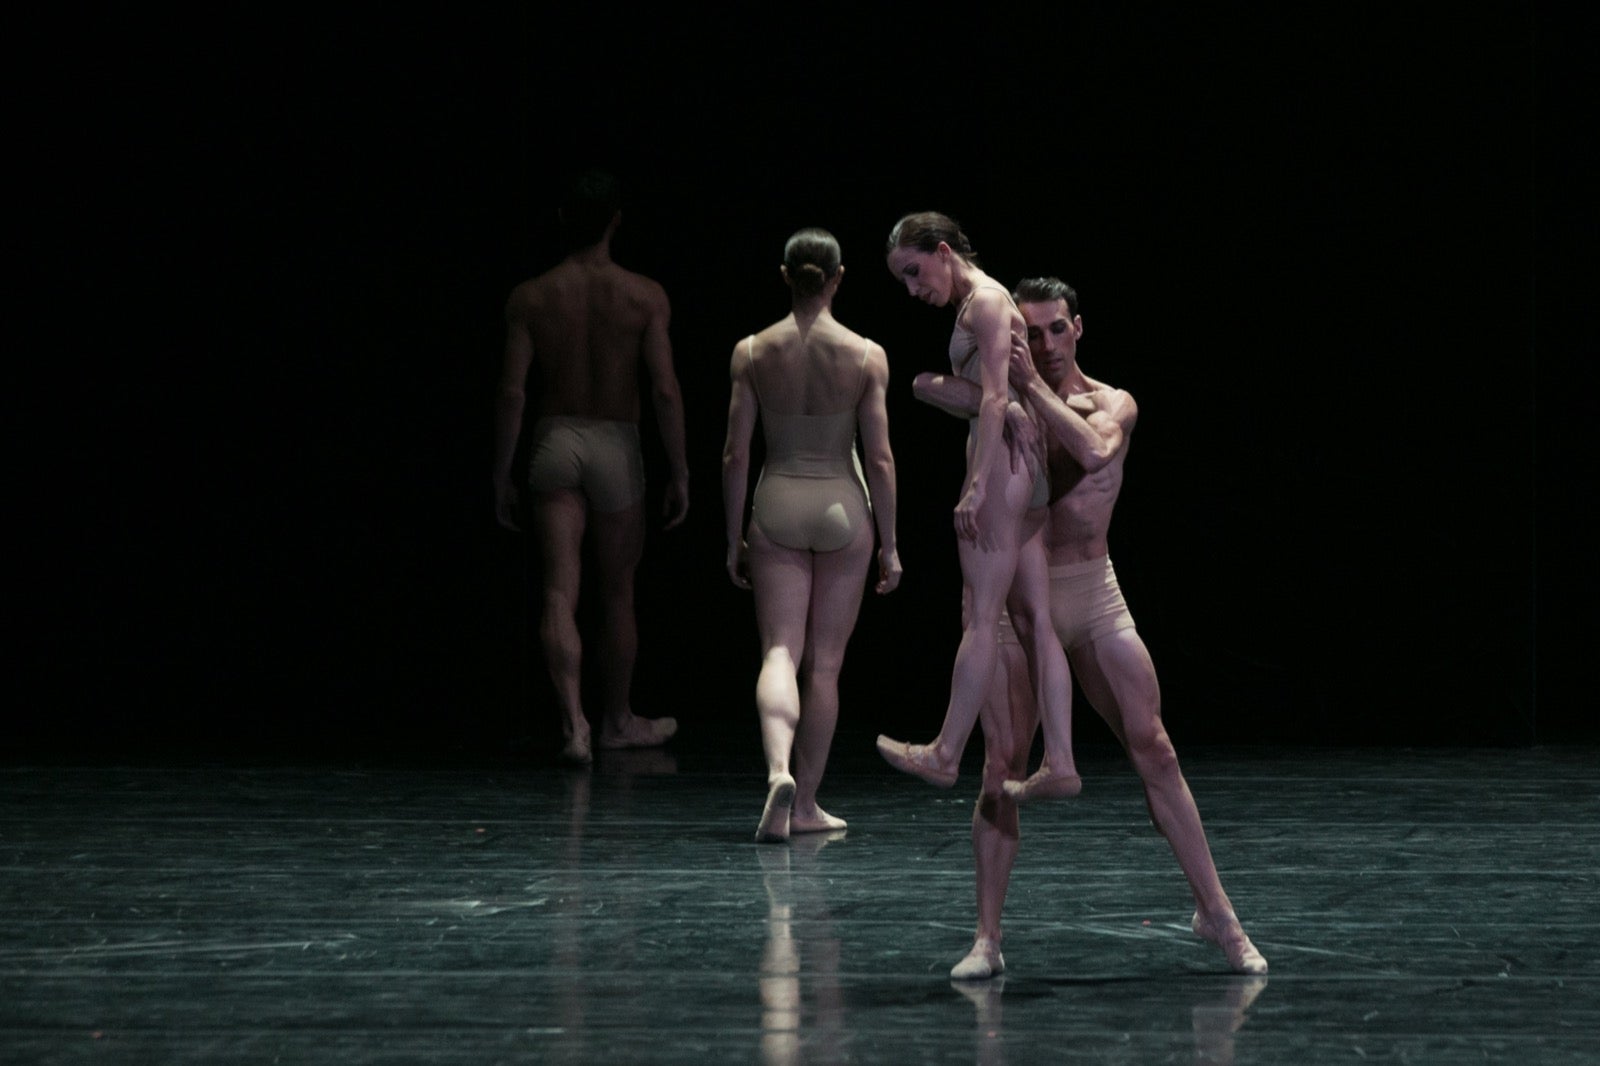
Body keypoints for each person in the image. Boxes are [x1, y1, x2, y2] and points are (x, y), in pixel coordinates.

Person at [918, 276, 1267, 977]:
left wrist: (1029, 392)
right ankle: (987, 938)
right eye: (1028, 331)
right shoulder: (999, 402)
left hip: (1091, 591)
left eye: (1054, 330)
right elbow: (928, 385)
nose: (1041, 344)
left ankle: (1218, 916)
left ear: (1078, 328)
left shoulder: (1113, 402)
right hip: (1018, 608)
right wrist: (983, 388)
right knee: (1002, 762)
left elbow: (1095, 450)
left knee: (1156, 749)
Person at [876, 212, 1079, 801]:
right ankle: (1061, 758)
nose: (915, 290)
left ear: (943, 251)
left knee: (982, 612)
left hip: (1004, 469)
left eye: (915, 273)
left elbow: (994, 398)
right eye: (904, 282)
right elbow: (993, 399)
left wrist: (977, 485)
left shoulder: (986, 302)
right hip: (1023, 469)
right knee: (1034, 617)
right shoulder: (979, 304)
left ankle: (946, 751)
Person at [492, 170, 690, 765]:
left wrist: (500, 470)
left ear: (562, 219)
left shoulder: (531, 297)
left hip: (554, 440)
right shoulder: (644, 295)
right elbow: (663, 391)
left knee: (559, 589)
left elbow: (512, 394)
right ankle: (618, 721)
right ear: (616, 220)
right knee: (619, 592)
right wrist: (680, 469)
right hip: (616, 443)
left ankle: (574, 724)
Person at [723, 228, 901, 843]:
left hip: (775, 501)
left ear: (784, 276)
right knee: (824, 668)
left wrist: (731, 538)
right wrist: (892, 544)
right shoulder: (865, 354)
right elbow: (878, 459)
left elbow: (734, 457)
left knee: (779, 651)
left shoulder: (751, 351)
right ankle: (806, 806)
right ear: (838, 278)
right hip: (840, 505)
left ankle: (778, 771)